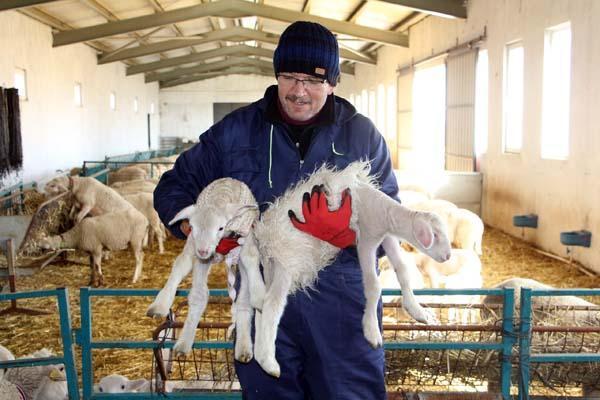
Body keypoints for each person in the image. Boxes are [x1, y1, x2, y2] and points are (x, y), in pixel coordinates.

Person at [153, 20, 398, 400]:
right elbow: (174, 185)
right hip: (260, 300)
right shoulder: (237, 131)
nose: (299, 91)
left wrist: (347, 236)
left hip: (340, 310)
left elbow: (392, 217)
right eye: (290, 76)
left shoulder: (361, 135)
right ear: (277, 75)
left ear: (333, 83)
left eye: (314, 80)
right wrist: (198, 232)